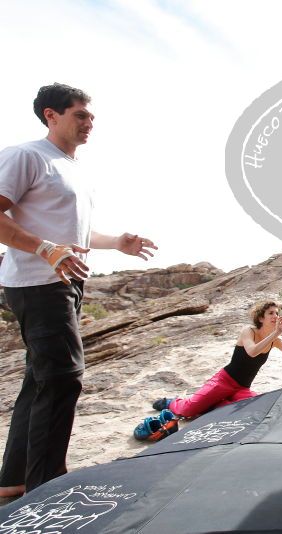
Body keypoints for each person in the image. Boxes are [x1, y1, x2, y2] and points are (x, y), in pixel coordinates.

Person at [0, 83, 158, 497]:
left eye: (91, 116)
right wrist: (44, 249)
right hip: (37, 284)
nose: (90, 123)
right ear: (51, 116)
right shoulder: (27, 156)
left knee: (40, 378)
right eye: (80, 115)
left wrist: (117, 242)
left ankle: (14, 480)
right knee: (63, 378)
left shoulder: (73, 168)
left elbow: (74, 232)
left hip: (67, 282)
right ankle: (47, 486)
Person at [151, 301, 282, 419]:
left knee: (256, 409)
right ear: (261, 318)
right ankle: (171, 402)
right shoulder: (249, 331)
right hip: (224, 381)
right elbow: (252, 352)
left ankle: (216, 403)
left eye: (277, 313)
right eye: (271, 313)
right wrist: (276, 333)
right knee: (188, 411)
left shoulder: (274, 340)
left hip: (242, 388)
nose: (275, 316)